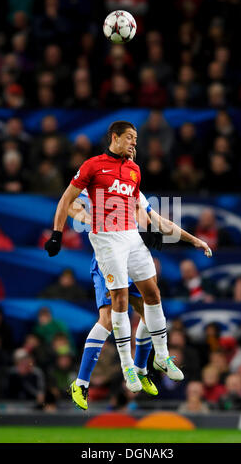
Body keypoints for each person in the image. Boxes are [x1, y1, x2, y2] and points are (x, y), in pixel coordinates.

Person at [45, 121, 211, 409]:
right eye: (130, 139)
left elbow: (154, 219)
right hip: (107, 250)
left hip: (130, 243)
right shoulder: (95, 172)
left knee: (150, 308)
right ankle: (85, 382)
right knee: (109, 317)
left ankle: (144, 368)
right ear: (115, 138)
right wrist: (74, 226)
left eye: (136, 140)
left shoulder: (132, 178)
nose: (135, 144)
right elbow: (71, 204)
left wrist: (190, 239)